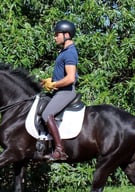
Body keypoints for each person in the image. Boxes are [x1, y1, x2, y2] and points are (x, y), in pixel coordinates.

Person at [41, 20, 79, 161]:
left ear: (66, 35)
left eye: (57, 34)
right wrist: (49, 80)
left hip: (66, 92)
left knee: (46, 114)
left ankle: (59, 150)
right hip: (59, 90)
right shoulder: (64, 51)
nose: (55, 37)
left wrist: (54, 84)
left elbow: (70, 78)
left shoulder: (69, 53)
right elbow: (61, 74)